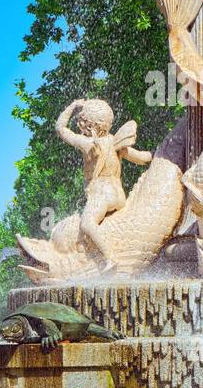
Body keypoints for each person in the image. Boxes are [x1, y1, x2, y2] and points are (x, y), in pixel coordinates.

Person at [56, 99, 152, 267]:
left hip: (102, 195)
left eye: (82, 123)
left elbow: (60, 129)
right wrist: (158, 154)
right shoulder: (117, 143)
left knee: (87, 223)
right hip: (119, 197)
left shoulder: (87, 144)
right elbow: (143, 159)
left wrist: (71, 107)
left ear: (90, 126)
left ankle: (109, 258)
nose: (80, 127)